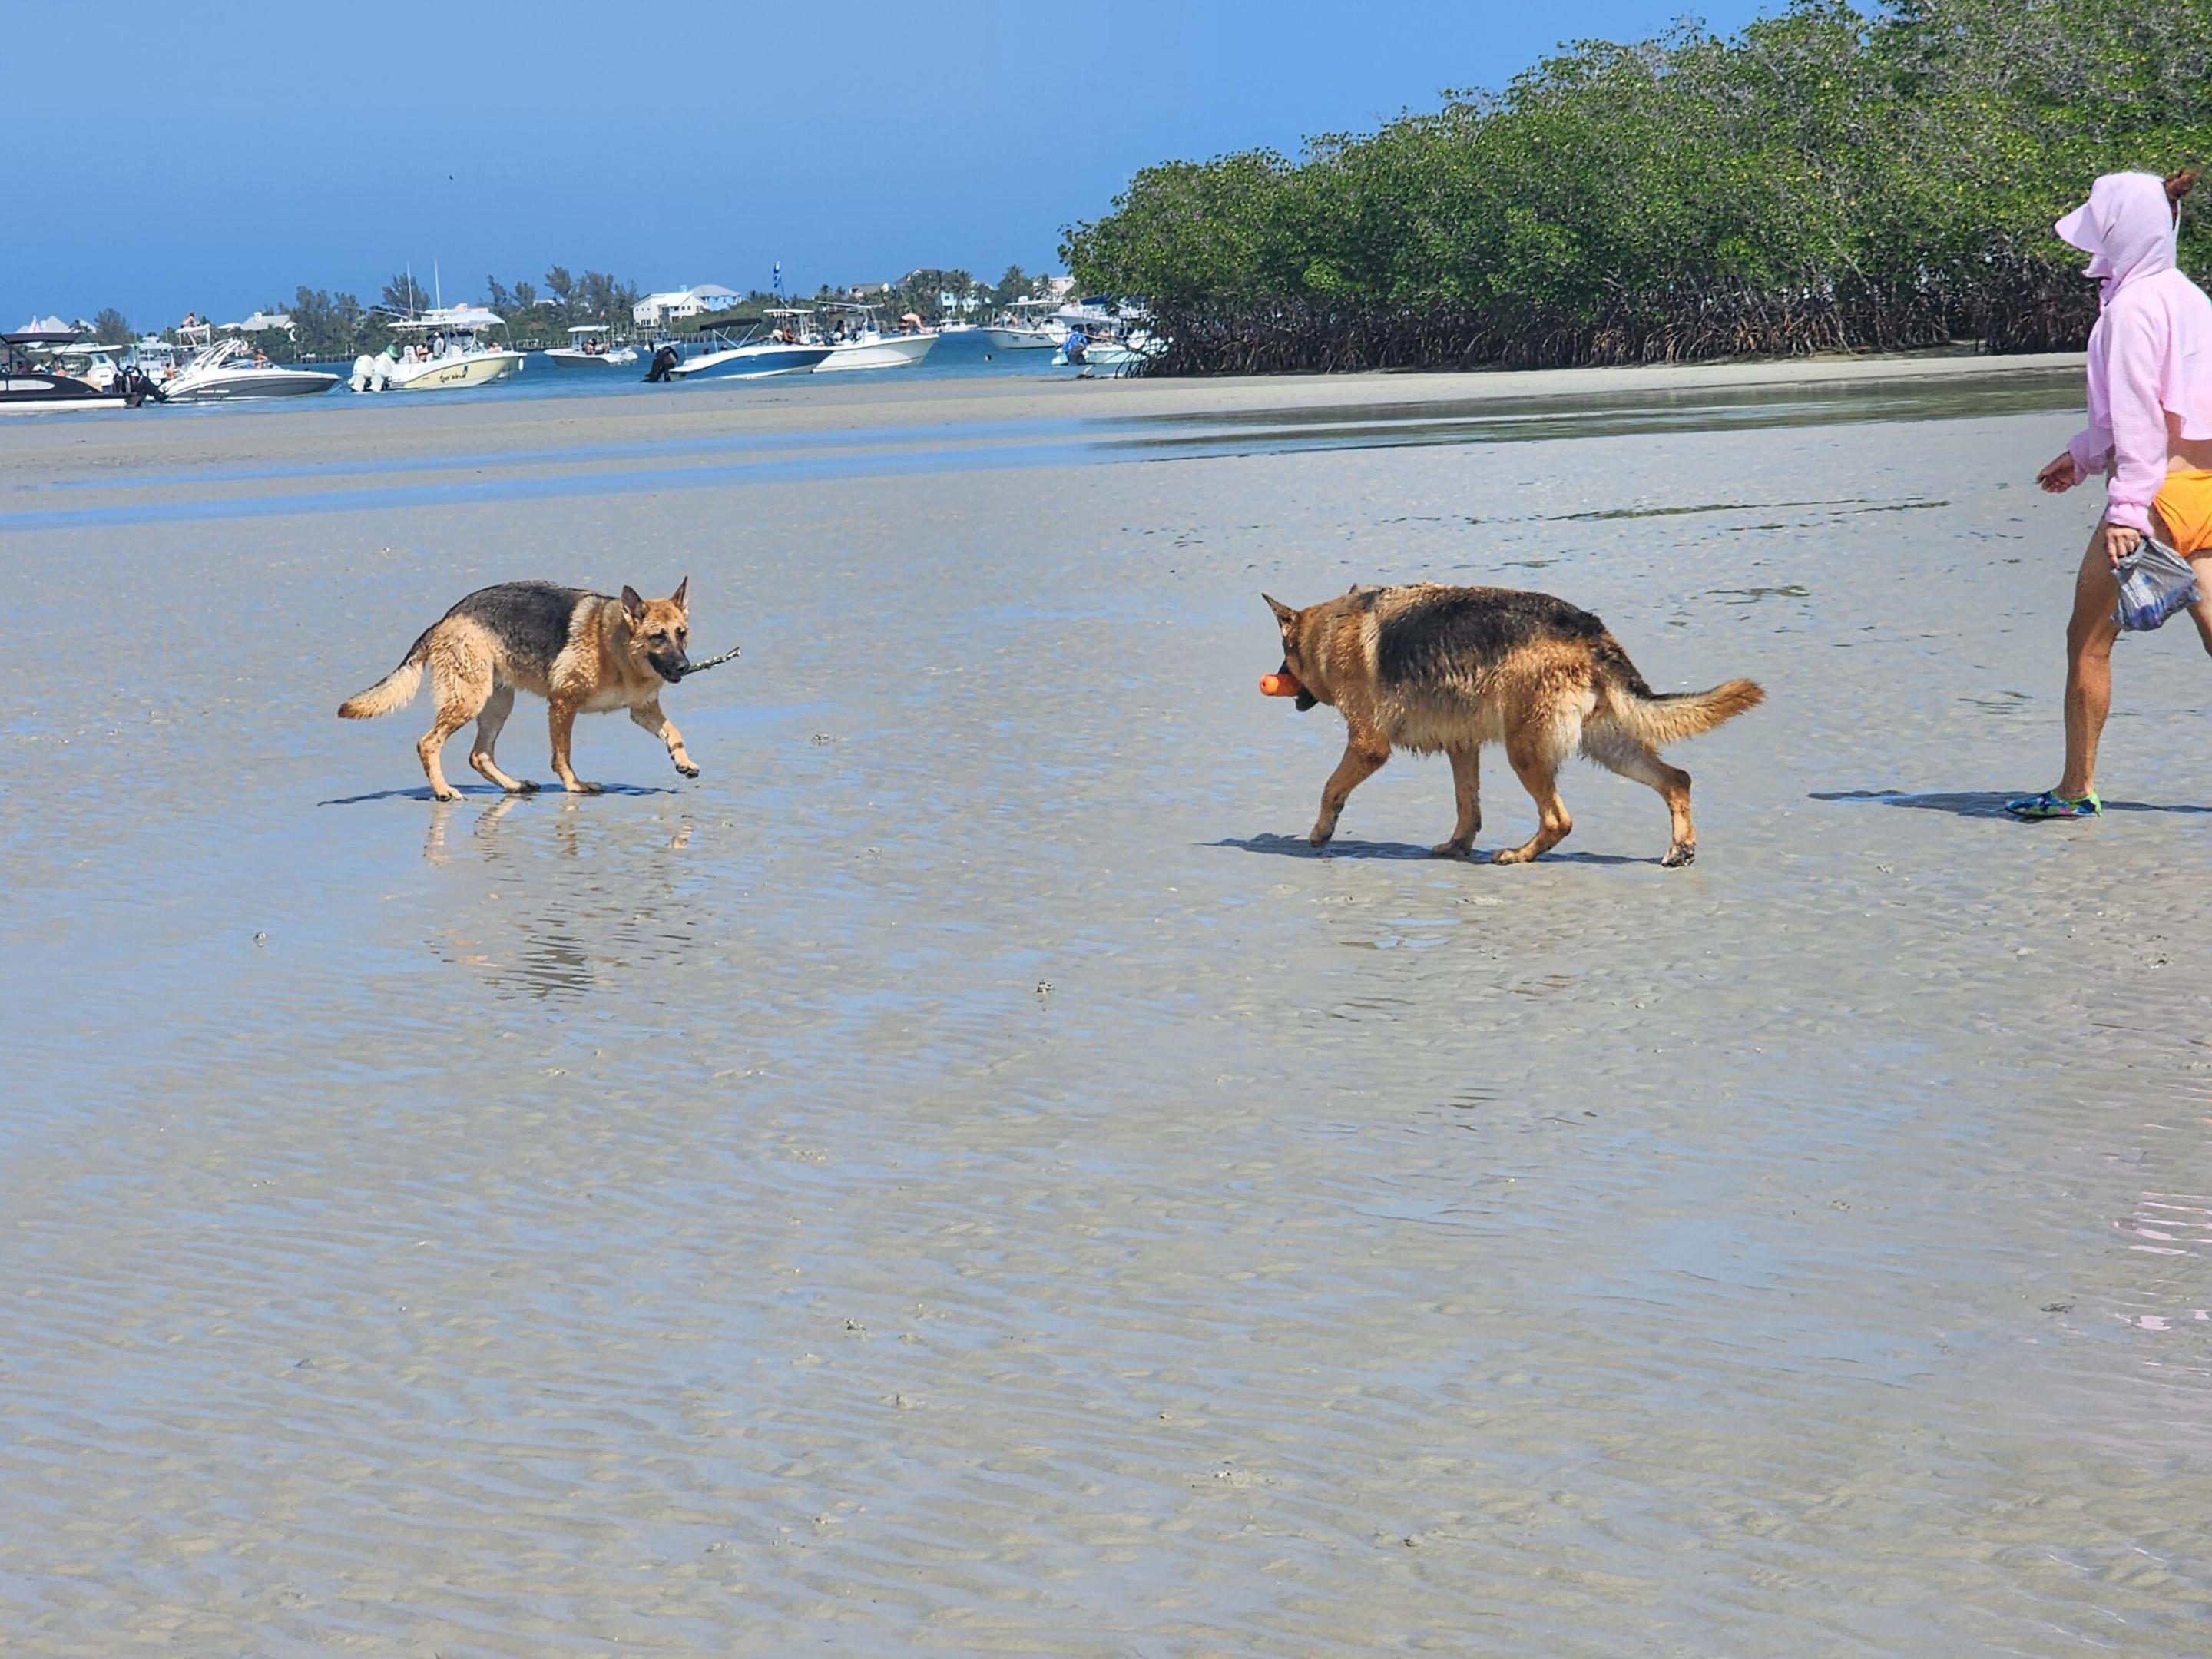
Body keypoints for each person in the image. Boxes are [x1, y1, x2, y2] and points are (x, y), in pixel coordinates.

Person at [2009, 168, 2212, 820]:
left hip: (2155, 499)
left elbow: (2138, 419)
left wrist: (2127, 509)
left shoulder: (2128, 311)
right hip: (2208, 491)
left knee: (2088, 642)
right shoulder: (2192, 298)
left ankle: (2074, 789)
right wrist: (2081, 454)